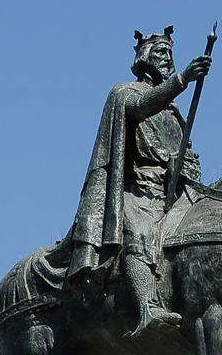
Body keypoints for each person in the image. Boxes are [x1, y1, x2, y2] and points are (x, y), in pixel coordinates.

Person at [67, 26, 211, 337]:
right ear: (144, 58)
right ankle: (148, 307)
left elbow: (182, 153)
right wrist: (182, 80)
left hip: (173, 193)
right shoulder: (125, 92)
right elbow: (141, 108)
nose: (167, 61)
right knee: (141, 231)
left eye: (171, 56)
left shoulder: (172, 113)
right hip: (137, 191)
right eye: (161, 54)